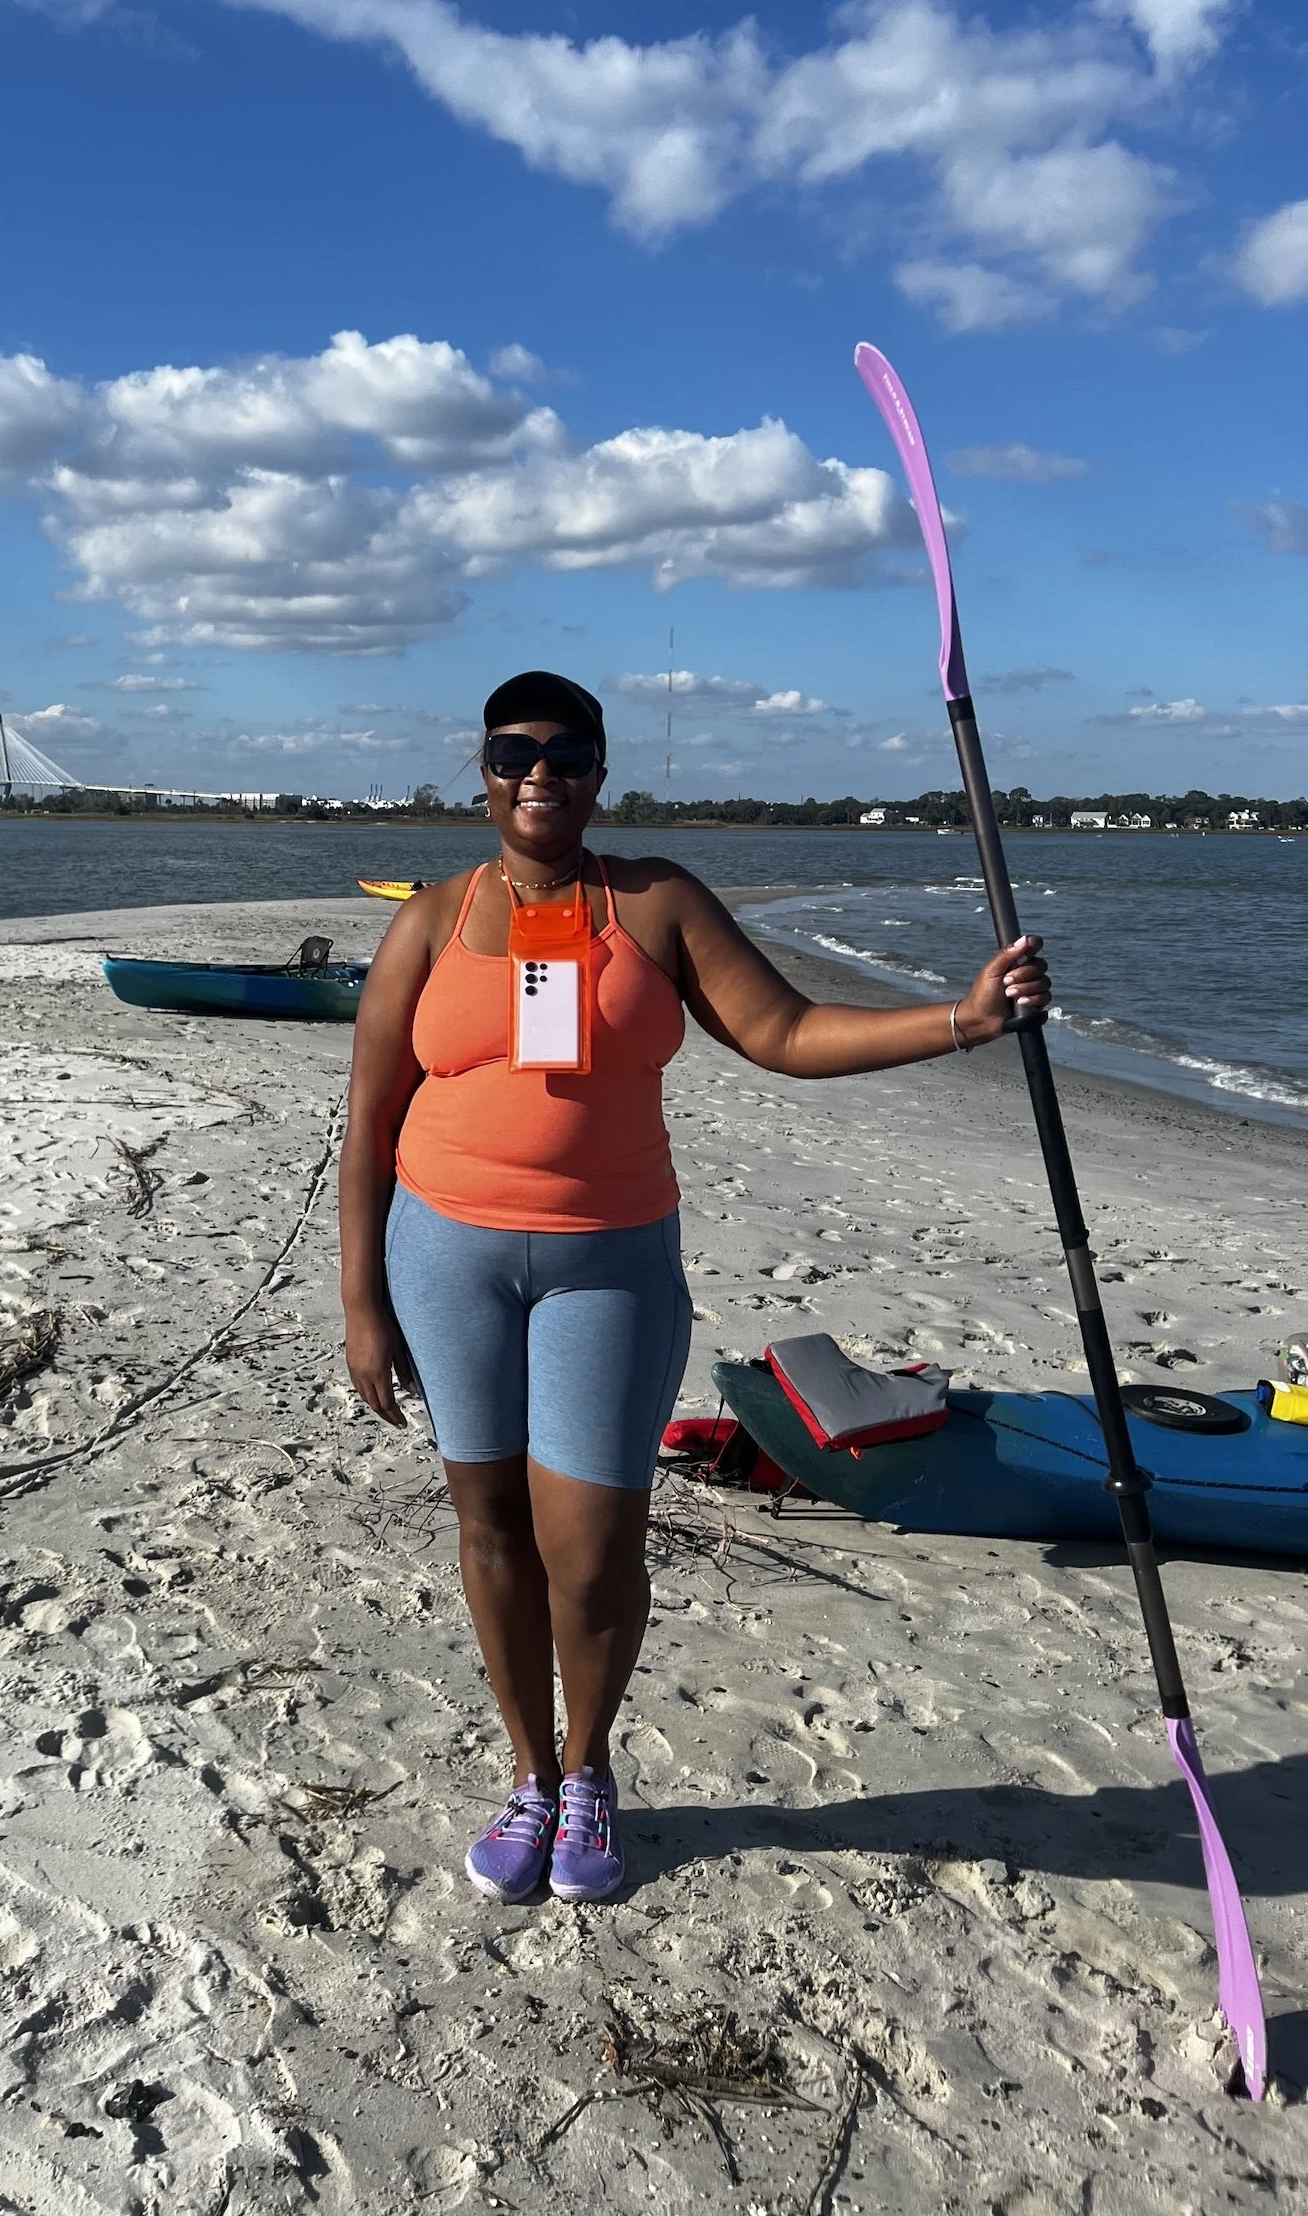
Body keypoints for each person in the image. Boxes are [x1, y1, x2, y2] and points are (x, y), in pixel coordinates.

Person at [339, 669, 1050, 1905]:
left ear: (599, 772)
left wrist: (960, 1020)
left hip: (605, 1261)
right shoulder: (430, 921)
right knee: (488, 1523)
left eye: (565, 754)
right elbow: (366, 1121)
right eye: (514, 752)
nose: (538, 775)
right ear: (482, 769)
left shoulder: (655, 903)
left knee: (596, 1541)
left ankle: (587, 1769)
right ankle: (526, 1775)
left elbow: (781, 1031)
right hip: (442, 1252)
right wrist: (360, 1301)